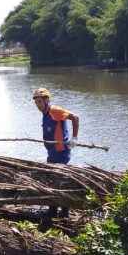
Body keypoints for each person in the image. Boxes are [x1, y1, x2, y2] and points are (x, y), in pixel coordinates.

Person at [32, 87, 80, 218]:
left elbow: (75, 118)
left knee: (59, 181)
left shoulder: (54, 110)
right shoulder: (45, 113)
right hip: (52, 153)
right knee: (53, 180)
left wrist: (74, 138)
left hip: (61, 152)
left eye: (40, 102)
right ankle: (53, 210)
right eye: (36, 102)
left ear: (47, 100)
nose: (38, 105)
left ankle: (64, 212)